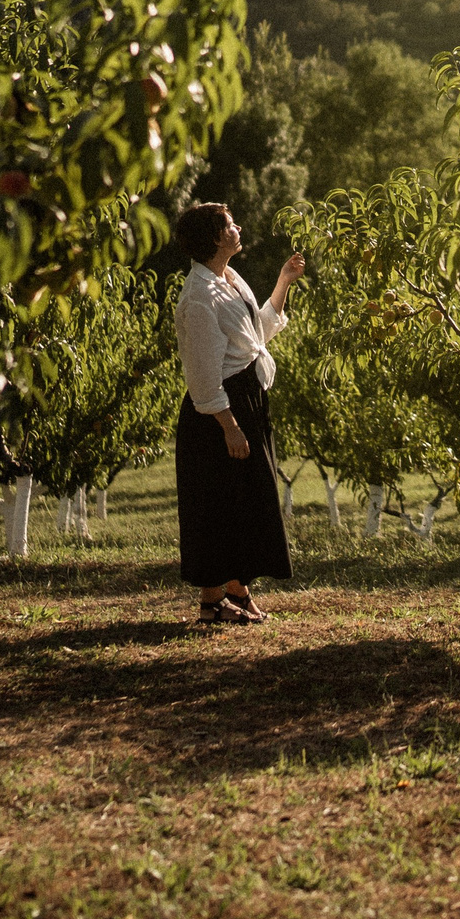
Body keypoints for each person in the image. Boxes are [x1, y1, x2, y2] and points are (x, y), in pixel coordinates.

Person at [171, 202, 304, 624]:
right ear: (214, 237)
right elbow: (203, 376)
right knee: (218, 503)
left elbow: (253, 338)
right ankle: (213, 604)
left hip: (244, 398)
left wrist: (283, 282)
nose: (238, 227)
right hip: (217, 411)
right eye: (230, 224)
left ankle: (236, 592)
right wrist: (229, 426)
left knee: (243, 500)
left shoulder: (228, 280)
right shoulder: (199, 297)